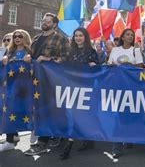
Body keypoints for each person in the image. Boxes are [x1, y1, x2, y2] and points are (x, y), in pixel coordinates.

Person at [24, 13, 70, 156]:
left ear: (54, 24)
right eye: (43, 20)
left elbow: (66, 58)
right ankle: (50, 136)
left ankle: (42, 143)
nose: (44, 22)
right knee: (37, 108)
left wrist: (47, 58)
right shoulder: (37, 38)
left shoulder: (60, 38)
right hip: (35, 79)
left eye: (47, 21)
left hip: (51, 80)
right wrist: (28, 57)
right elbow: (32, 56)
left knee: (47, 109)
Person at [59, 27, 99, 160]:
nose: (78, 38)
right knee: (73, 115)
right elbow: (64, 66)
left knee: (82, 115)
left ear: (85, 37)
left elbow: (98, 69)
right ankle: (73, 143)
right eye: (76, 36)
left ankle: (79, 143)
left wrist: (93, 65)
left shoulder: (91, 51)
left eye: (80, 35)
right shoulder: (70, 51)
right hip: (72, 87)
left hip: (86, 88)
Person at [107, 28, 144, 158]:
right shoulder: (116, 50)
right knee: (118, 115)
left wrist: (128, 65)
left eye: (132, 35)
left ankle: (128, 138)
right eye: (128, 34)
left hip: (131, 87)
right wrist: (112, 66)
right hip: (117, 86)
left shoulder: (136, 50)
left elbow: (140, 67)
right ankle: (116, 147)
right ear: (122, 37)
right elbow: (109, 64)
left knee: (129, 114)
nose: (130, 37)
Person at [0, 29, 32, 151]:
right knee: (8, 111)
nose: (17, 38)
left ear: (25, 37)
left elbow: (35, 66)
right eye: (15, 36)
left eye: (20, 36)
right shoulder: (9, 51)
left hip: (24, 87)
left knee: (20, 112)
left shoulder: (29, 51)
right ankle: (10, 140)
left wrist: (30, 59)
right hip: (9, 87)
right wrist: (3, 61)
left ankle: (17, 135)